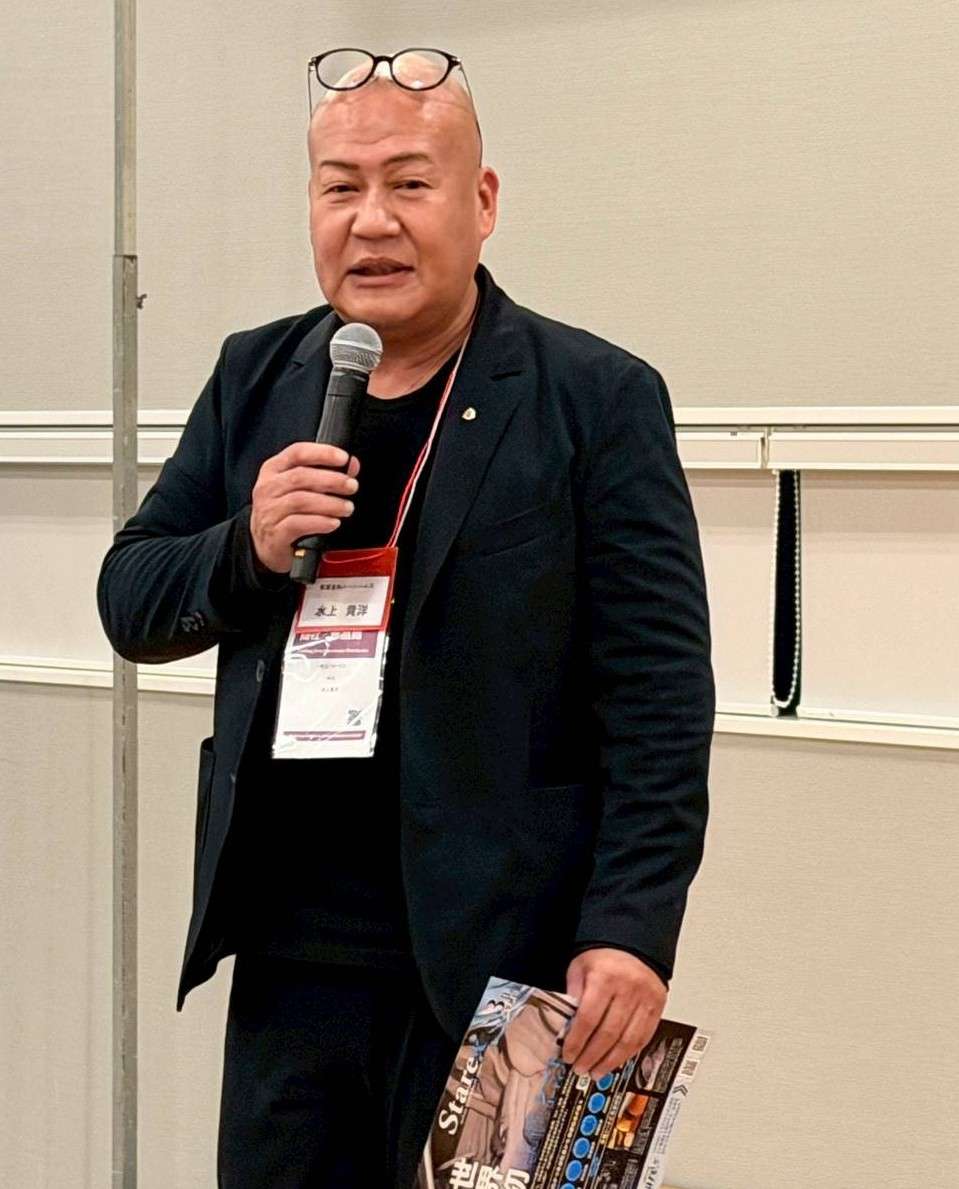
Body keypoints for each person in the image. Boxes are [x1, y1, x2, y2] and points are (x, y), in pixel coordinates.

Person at [97, 46, 715, 1188]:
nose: (370, 220)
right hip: (289, 961)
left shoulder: (592, 397)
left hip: (501, 974)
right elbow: (131, 599)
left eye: (408, 183)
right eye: (340, 186)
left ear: (482, 201)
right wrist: (245, 545)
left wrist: (630, 925)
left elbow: (658, 695)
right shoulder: (257, 376)